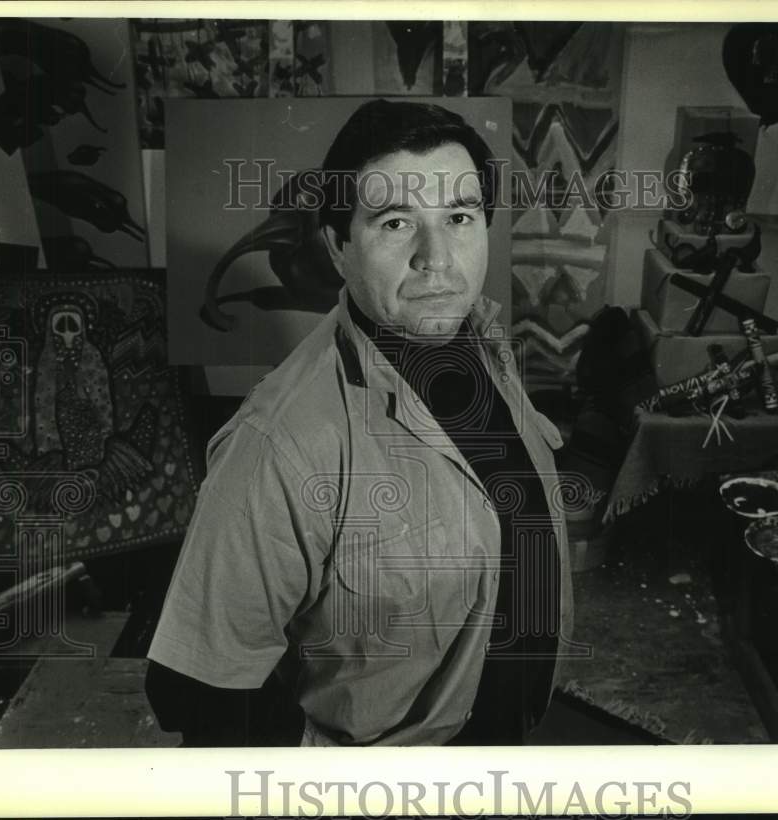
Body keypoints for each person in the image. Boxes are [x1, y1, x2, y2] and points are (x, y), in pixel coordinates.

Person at [145, 99, 575, 746]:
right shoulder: (279, 443)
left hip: (513, 738)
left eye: (459, 217)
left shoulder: (483, 341)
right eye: (396, 222)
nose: (437, 258)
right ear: (338, 247)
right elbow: (199, 693)